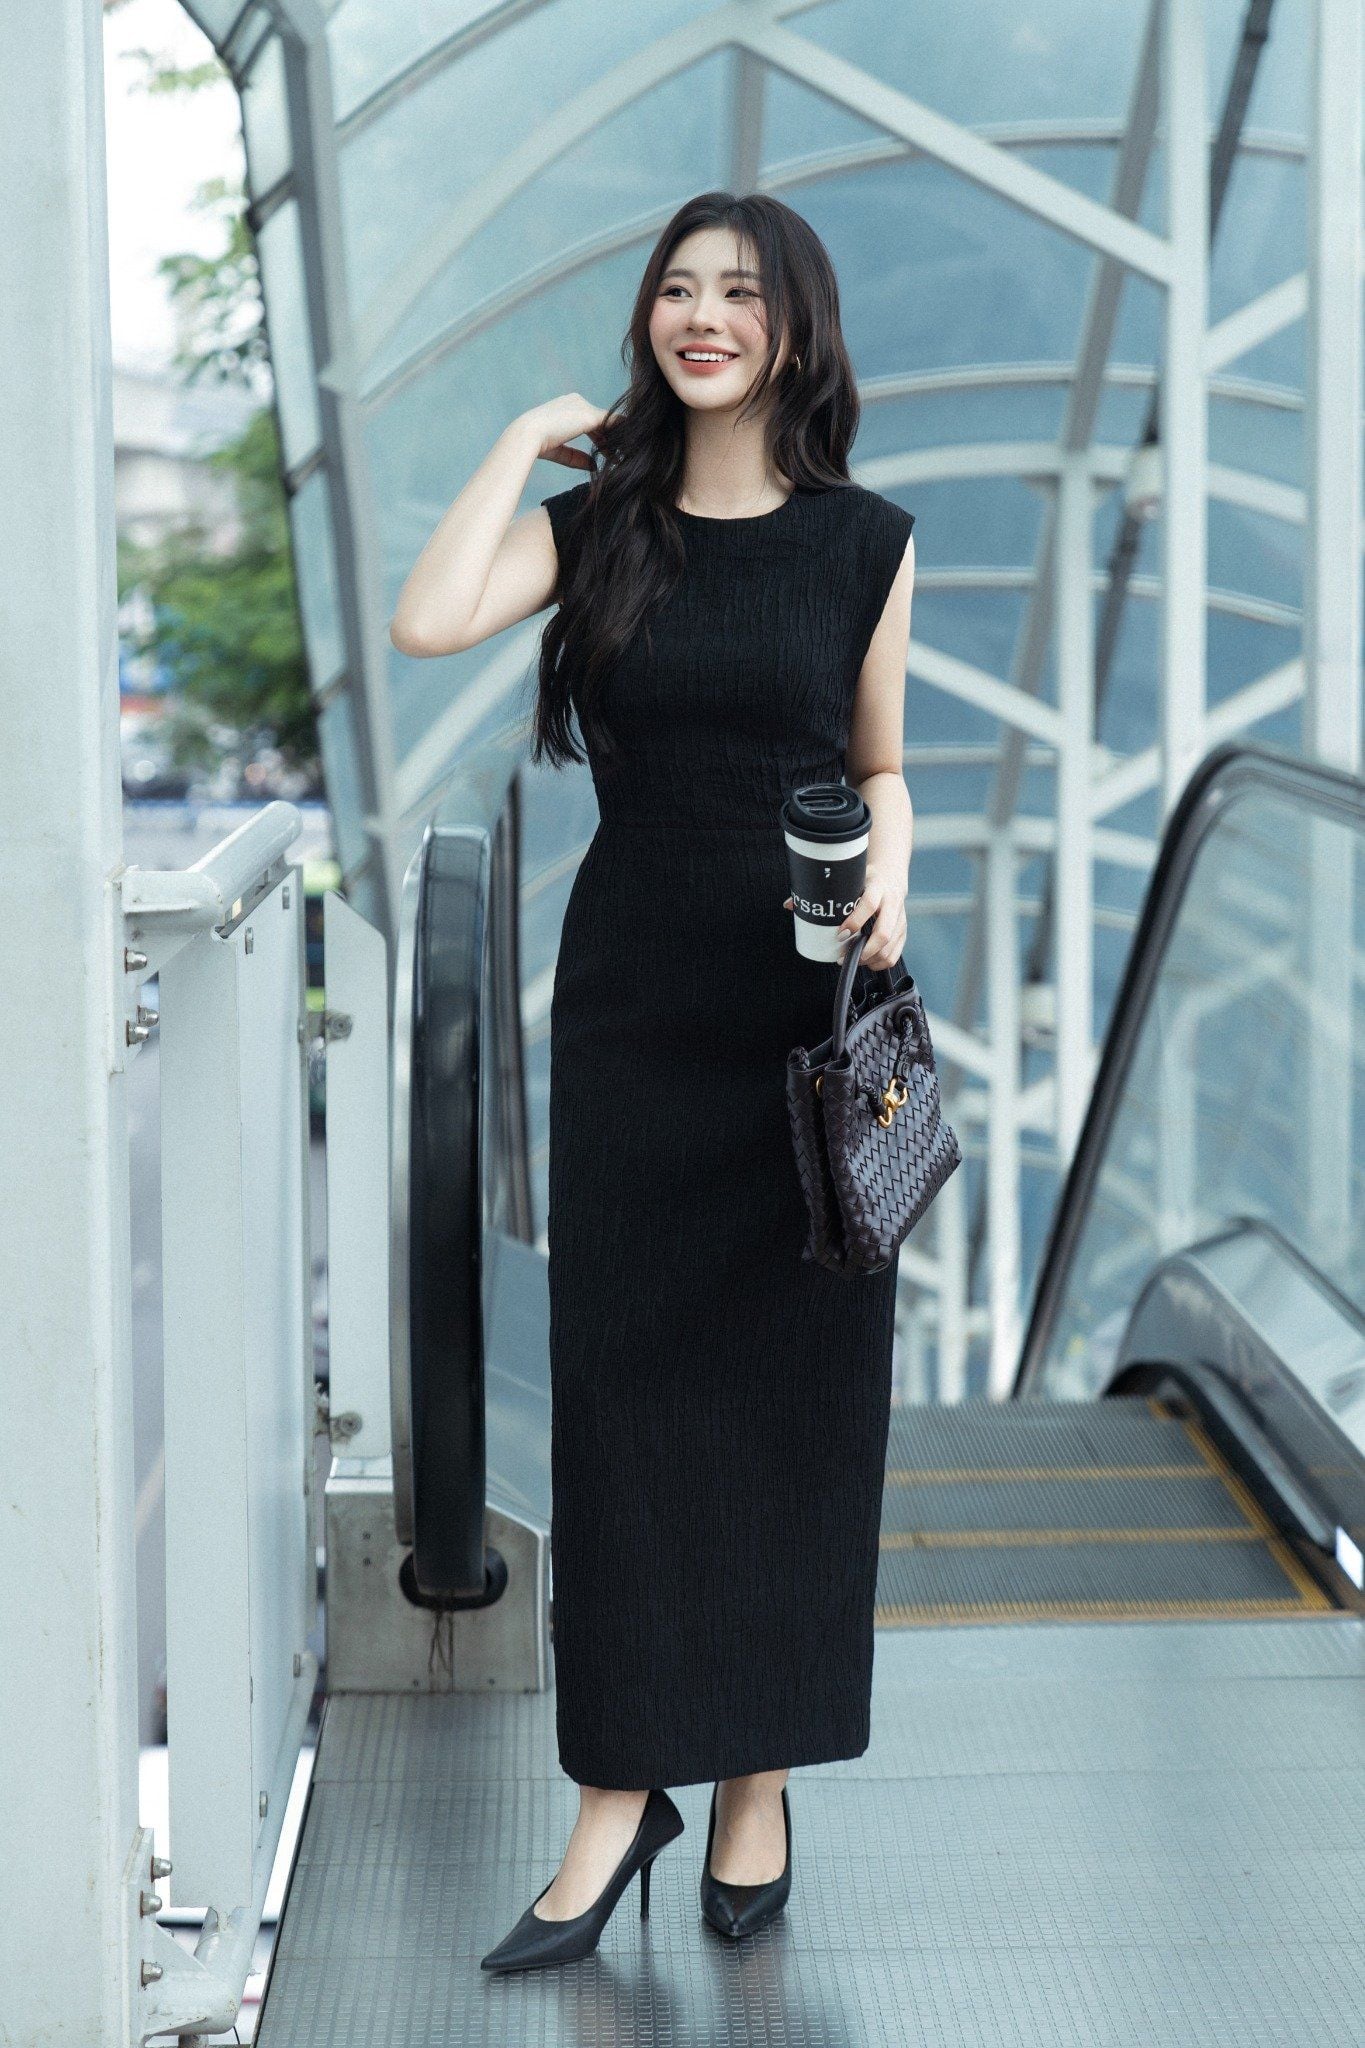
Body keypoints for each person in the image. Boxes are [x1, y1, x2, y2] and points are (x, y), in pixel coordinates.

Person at [389, 189, 916, 1974]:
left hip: (802, 1014)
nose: (703, 316)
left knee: (792, 1408)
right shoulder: (597, 527)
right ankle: (617, 1795)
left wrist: (895, 863)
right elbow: (429, 618)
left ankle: (757, 1779)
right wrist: (525, 436)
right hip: (631, 1012)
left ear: (793, 329)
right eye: (677, 290)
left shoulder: (864, 543)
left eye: (739, 293)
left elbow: (881, 764)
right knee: (621, 1410)